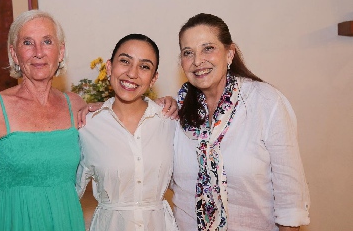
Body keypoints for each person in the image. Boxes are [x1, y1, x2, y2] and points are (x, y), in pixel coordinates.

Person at [0, 10, 87, 230]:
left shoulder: (76, 105)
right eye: (28, 43)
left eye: (47, 41)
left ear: (60, 52)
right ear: (14, 54)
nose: (38, 52)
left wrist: (160, 106)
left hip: (66, 222)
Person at [171, 13, 310, 231]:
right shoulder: (176, 111)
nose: (198, 61)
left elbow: (290, 200)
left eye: (208, 48)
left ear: (229, 54)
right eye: (188, 53)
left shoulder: (265, 101)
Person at [77, 34, 179, 230]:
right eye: (125, 61)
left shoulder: (170, 122)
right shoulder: (87, 126)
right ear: (109, 67)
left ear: (153, 78)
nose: (132, 73)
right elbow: (70, 192)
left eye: (144, 66)